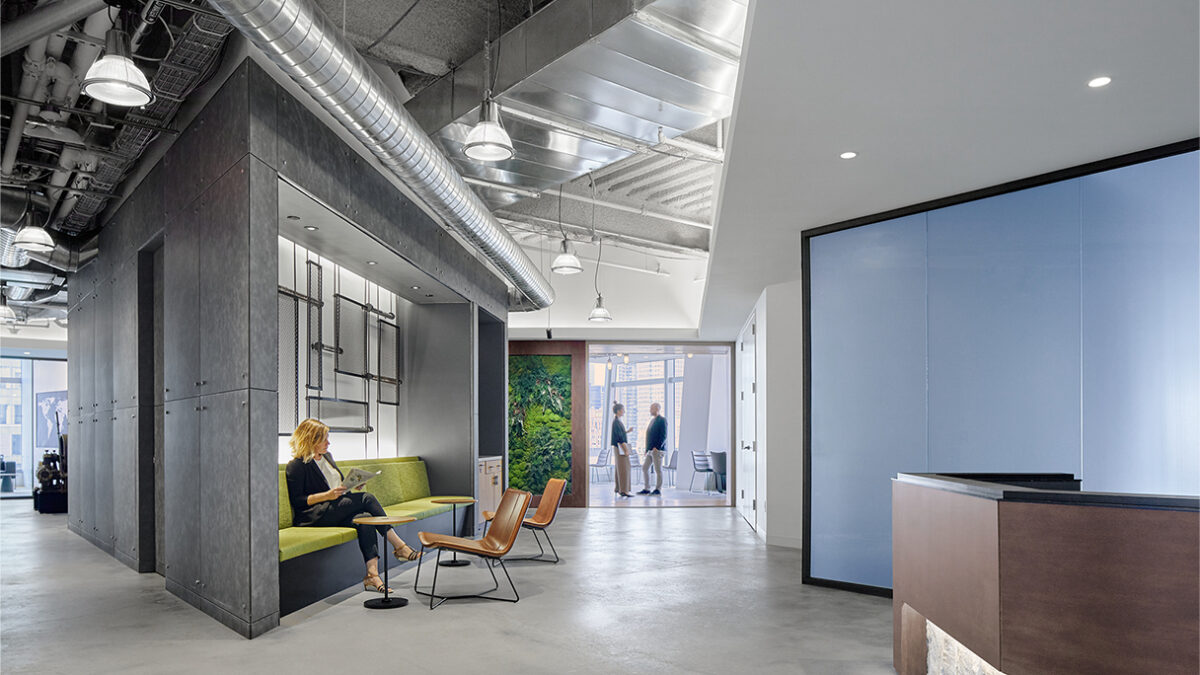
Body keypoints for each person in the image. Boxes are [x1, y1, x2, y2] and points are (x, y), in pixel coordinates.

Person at [284, 418, 421, 594]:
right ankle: (400, 546)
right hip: (314, 515)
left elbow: (335, 485)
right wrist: (327, 495)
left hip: (335, 507)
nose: (328, 442)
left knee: (366, 520)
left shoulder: (327, 457)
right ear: (310, 439)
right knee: (367, 498)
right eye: (324, 439)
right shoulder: (296, 465)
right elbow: (298, 501)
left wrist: (351, 485)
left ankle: (372, 575)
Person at [638, 402, 668, 496]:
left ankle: (658, 489)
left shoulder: (662, 420)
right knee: (645, 468)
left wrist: (657, 447)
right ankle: (647, 488)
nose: (650, 410)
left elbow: (663, 435)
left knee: (658, 469)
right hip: (650, 450)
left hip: (657, 450)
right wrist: (647, 449)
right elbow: (649, 436)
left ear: (657, 409)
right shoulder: (652, 421)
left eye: (652, 408)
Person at [610, 403, 633, 497]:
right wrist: (626, 450)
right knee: (625, 468)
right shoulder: (617, 422)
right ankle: (624, 490)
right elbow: (620, 438)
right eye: (623, 410)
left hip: (618, 447)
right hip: (620, 447)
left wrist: (627, 431)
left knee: (619, 468)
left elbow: (620, 434)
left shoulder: (617, 421)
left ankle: (619, 488)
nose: (624, 411)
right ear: (619, 411)